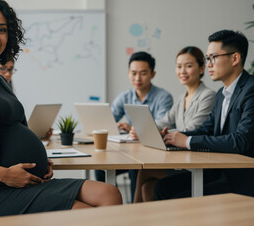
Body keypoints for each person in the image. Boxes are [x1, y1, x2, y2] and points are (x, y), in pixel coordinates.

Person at [0, 0, 122, 222]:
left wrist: (41, 161)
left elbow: (12, 131)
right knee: (87, 216)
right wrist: (3, 174)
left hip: (23, 183)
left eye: (1, 29)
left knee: (110, 193)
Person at [155, 30, 254, 199]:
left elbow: (241, 140)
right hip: (221, 170)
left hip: (244, 177)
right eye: (208, 58)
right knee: (161, 188)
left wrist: (187, 141)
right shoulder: (222, 93)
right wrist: (173, 137)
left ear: (235, 59)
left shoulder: (251, 89)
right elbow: (207, 129)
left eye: (213, 57)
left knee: (175, 197)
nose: (208, 64)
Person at [132, 46, 216, 202]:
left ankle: (132, 219)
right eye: (179, 67)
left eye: (188, 66)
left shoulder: (208, 96)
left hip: (197, 162)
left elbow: (193, 130)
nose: (182, 71)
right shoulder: (181, 98)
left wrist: (163, 132)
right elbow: (163, 121)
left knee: (144, 172)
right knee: (147, 186)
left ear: (202, 68)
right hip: (182, 158)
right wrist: (144, 129)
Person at [96, 51, 174, 199]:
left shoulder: (163, 97)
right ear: (128, 73)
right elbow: (108, 120)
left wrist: (132, 128)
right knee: (102, 168)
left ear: (153, 74)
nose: (137, 78)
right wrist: (115, 126)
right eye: (133, 73)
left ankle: (134, 206)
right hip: (131, 152)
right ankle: (109, 203)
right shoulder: (125, 96)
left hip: (152, 154)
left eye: (143, 73)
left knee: (134, 167)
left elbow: (157, 127)